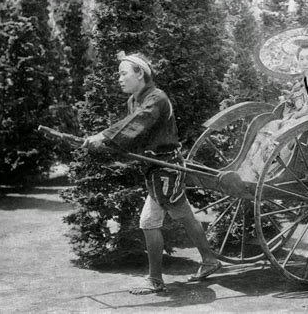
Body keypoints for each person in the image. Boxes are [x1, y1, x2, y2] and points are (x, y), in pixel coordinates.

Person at [82, 52, 221, 294]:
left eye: (123, 73)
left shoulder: (156, 98)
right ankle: (209, 260)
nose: (119, 79)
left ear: (140, 74)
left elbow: (138, 122)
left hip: (166, 168)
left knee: (149, 222)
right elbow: (134, 135)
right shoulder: (134, 100)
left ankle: (156, 280)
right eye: (119, 74)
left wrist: (103, 136)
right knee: (183, 214)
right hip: (156, 168)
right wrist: (106, 146)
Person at [238, 39, 308, 182]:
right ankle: (252, 170)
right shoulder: (297, 87)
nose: (304, 62)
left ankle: (270, 172)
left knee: (290, 129)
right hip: (294, 125)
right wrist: (297, 114)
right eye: (301, 58)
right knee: (271, 125)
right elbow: (288, 111)